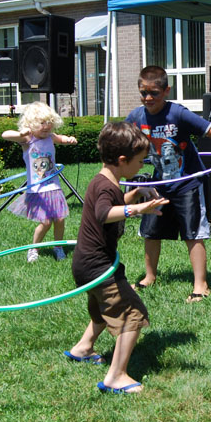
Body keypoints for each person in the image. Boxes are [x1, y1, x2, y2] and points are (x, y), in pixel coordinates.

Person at [66, 122, 168, 394]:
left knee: (103, 309)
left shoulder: (106, 181)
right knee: (132, 314)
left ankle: (83, 348)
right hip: (99, 266)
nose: (141, 165)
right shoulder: (104, 187)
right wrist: (137, 208)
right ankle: (116, 376)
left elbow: (113, 201)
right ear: (122, 160)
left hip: (87, 263)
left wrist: (132, 196)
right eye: (139, 161)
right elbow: (103, 213)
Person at [125, 65, 211, 303]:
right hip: (159, 182)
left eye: (154, 92)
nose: (148, 98)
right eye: (143, 93)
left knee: (192, 233)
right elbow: (120, 139)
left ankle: (200, 284)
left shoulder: (178, 113)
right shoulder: (136, 117)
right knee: (151, 231)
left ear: (166, 91)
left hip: (188, 182)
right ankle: (150, 277)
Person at [1, 101, 78, 262]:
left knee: (60, 219)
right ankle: (33, 249)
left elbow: (61, 139)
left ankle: (58, 247)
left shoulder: (50, 138)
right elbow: (5, 135)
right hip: (37, 190)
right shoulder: (28, 140)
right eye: (42, 123)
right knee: (46, 221)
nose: (46, 126)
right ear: (31, 124)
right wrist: (22, 134)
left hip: (53, 186)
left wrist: (69, 139)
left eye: (49, 122)